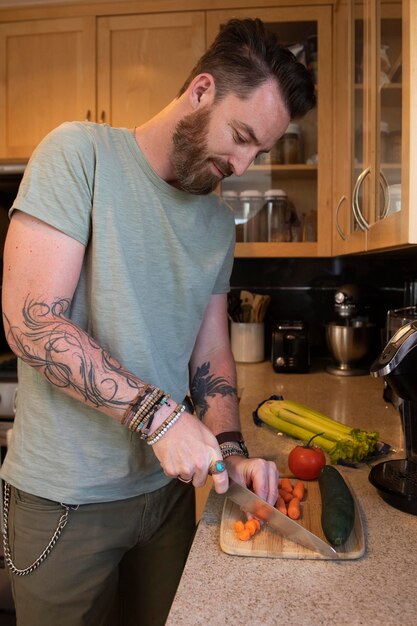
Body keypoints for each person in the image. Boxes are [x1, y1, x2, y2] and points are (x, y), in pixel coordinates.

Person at [0, 17, 316, 626]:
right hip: (66, 502)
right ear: (201, 91)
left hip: (168, 500)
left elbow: (211, 358)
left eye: (261, 150)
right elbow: (29, 319)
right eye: (241, 135)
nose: (244, 163)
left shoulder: (218, 224)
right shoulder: (79, 153)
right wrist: (159, 416)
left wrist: (231, 449)